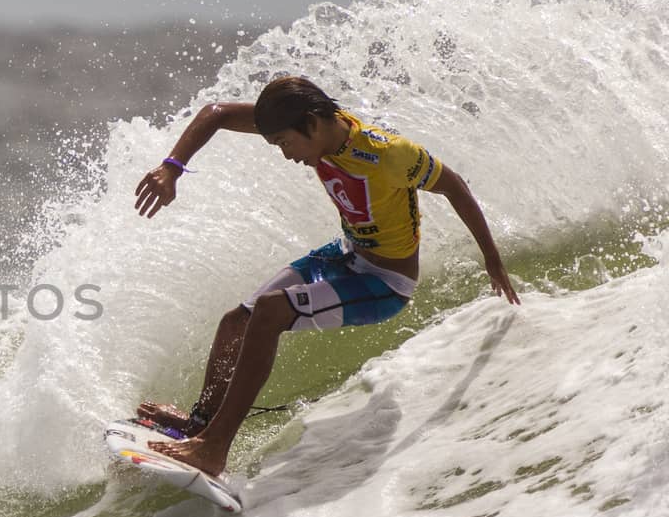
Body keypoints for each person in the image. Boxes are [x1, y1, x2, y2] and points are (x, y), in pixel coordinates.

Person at [131, 75, 520, 476]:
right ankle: (199, 427)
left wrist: (491, 257)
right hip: (344, 255)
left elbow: (453, 185)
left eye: (285, 143)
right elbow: (218, 114)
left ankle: (213, 449)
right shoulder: (311, 126)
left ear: (312, 124)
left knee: (269, 313)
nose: (286, 155)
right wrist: (172, 167)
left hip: (384, 283)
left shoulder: (388, 154)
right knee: (236, 323)